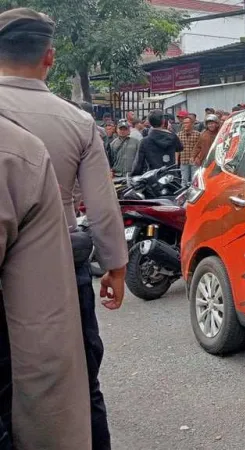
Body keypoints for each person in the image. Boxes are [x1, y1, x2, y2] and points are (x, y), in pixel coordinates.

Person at [0, 8, 128, 449]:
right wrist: (115, 267)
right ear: (49, 57)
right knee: (77, 381)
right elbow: (102, 204)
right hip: (58, 272)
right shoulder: (76, 121)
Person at [0, 112, 91, 450]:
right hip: (55, 249)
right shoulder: (25, 148)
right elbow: (40, 326)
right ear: (49, 58)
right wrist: (114, 263)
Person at [132, 109, 183, 175]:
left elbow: (138, 164)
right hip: (171, 178)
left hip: (154, 178)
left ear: (149, 123)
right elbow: (180, 148)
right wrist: (170, 131)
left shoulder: (145, 141)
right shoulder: (173, 137)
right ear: (163, 121)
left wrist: (133, 176)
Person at [177, 115, 201, 187]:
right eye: (184, 123)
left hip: (194, 160)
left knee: (194, 180)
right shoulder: (179, 135)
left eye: (187, 123)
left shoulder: (198, 134)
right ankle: (183, 195)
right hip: (183, 160)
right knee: (184, 180)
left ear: (192, 124)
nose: (185, 124)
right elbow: (177, 150)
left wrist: (198, 157)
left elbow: (200, 148)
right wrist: (176, 161)